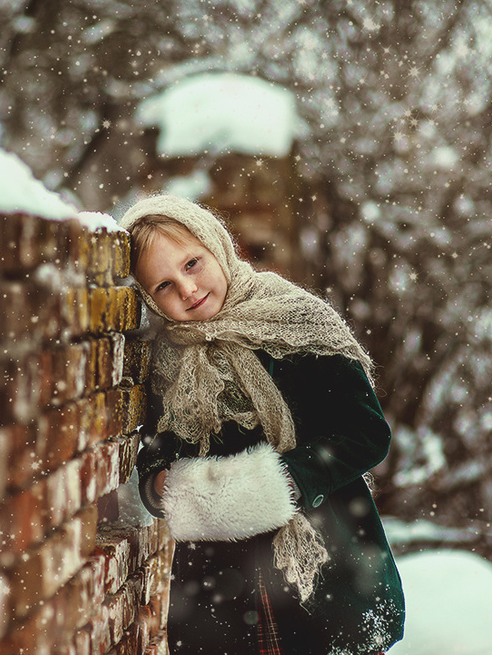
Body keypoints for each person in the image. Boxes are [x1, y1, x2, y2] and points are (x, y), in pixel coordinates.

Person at [120, 194, 405, 655]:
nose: (187, 290)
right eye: (164, 287)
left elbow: (365, 432)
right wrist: (165, 486)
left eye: (192, 264)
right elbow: (155, 455)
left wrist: (279, 483)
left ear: (217, 246)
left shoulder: (296, 321)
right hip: (219, 591)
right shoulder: (164, 359)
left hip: (324, 567)